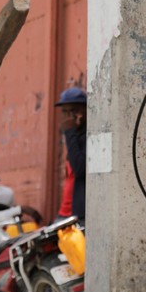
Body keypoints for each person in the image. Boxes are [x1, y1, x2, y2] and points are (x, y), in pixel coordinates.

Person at [55, 87, 87, 224]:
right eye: (65, 112)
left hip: (79, 216)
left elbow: (80, 169)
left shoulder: (88, 136)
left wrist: (69, 133)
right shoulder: (75, 136)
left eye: (73, 110)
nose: (69, 116)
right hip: (67, 213)